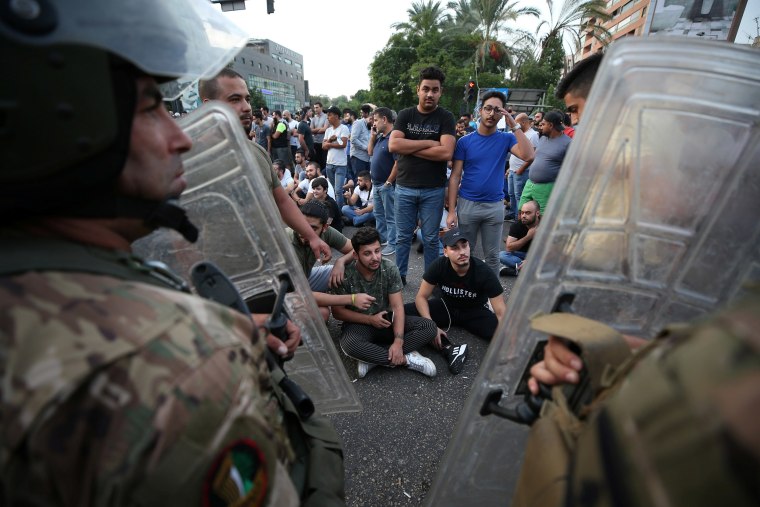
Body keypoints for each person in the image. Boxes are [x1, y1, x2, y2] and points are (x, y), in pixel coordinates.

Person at [0, 1, 344, 504]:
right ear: (68, 131)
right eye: (147, 107)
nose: (180, 136)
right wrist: (200, 350)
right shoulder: (185, 366)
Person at [522, 48, 760, 507]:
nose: (574, 124)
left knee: (588, 400)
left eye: (575, 111)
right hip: (607, 286)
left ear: (610, 96)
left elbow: (666, 201)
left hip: (626, 282)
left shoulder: (639, 134)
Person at [199, 69, 331, 263]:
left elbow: (283, 201)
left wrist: (311, 236)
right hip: (222, 274)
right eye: (235, 99)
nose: (246, 107)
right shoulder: (189, 161)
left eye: (247, 99)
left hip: (269, 264)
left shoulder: (258, 152)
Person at [330, 228, 438, 379]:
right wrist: (369, 320)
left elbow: (397, 307)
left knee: (429, 327)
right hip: (358, 324)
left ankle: (373, 358)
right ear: (355, 255)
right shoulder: (344, 274)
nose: (375, 257)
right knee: (350, 345)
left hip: (386, 320)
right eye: (367, 253)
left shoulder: (389, 268)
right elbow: (337, 312)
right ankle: (407, 359)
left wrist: (399, 342)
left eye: (377, 251)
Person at [446, 91, 534, 274]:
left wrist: (514, 125)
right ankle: (468, 294)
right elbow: (455, 176)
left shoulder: (507, 138)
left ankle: (491, 300)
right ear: (480, 110)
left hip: (494, 206)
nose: (491, 114)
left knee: (493, 257)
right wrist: (452, 211)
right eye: (487, 108)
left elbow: (528, 155)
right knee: (465, 255)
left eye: (497, 110)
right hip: (467, 204)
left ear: (502, 113)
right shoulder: (464, 142)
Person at [389, 66, 457, 285]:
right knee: (402, 237)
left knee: (430, 239)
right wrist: (429, 142)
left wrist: (409, 146)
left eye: (435, 90)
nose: (430, 94)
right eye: (425, 89)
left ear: (440, 92)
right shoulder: (405, 115)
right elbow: (393, 144)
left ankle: (431, 280)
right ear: (418, 89)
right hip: (405, 187)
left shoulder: (446, 117)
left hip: (433, 190)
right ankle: (399, 277)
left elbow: (446, 152)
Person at [405, 228, 506, 374]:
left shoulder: (484, 272)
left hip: (475, 311)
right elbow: (421, 297)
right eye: (455, 248)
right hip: (447, 306)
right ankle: (450, 349)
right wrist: (430, 326)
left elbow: (502, 312)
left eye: (464, 246)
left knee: (505, 335)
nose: (462, 252)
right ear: (445, 252)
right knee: (401, 314)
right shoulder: (439, 265)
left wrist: (508, 346)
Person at [287, 202, 366, 320]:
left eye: (313, 228)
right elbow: (300, 294)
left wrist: (341, 261)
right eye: (302, 224)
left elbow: (358, 249)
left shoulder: (327, 232)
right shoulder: (287, 243)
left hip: (305, 278)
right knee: (322, 313)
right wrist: (352, 299)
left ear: (324, 227)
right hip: (283, 291)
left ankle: (364, 311)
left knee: (354, 266)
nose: (305, 231)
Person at [517, 110, 572, 213]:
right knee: (521, 213)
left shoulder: (568, 143)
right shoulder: (542, 139)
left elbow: (571, 170)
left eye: (543, 124)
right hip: (530, 184)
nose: (540, 127)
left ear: (551, 125)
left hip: (547, 188)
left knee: (541, 218)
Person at [368, 107, 399, 256]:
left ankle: (392, 243)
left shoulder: (394, 137)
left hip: (387, 185)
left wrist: (388, 182)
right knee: (378, 214)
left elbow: (398, 163)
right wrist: (372, 136)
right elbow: (370, 152)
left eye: (375, 120)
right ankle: (383, 239)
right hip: (377, 183)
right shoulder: (381, 137)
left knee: (390, 216)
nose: (374, 124)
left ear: (384, 120)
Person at [507, 113, 539, 219]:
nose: (514, 125)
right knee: (511, 193)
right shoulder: (519, 134)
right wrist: (509, 168)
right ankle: (512, 212)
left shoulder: (533, 135)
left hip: (522, 171)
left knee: (519, 195)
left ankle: (519, 217)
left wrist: (521, 169)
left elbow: (532, 155)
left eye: (517, 122)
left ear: (523, 122)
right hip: (512, 170)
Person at [500, 199, 540, 276]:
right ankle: (528, 268)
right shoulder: (517, 225)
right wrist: (528, 237)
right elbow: (509, 247)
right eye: (522, 213)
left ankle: (517, 269)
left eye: (528, 213)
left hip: (539, 255)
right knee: (501, 255)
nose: (524, 216)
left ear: (537, 213)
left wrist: (530, 260)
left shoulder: (546, 224)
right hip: (520, 255)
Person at [322, 106, 351, 208]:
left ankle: (339, 213)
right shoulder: (328, 130)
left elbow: (343, 144)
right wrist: (330, 141)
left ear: (337, 116)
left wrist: (329, 144)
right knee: (334, 189)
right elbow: (323, 146)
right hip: (329, 163)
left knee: (338, 190)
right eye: (327, 116)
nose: (328, 118)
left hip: (340, 164)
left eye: (329, 115)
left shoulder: (344, 128)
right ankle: (335, 210)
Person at [311, 102, 328, 169]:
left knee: (324, 161)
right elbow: (311, 130)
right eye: (314, 108)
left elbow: (325, 129)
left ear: (321, 107)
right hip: (315, 142)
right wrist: (320, 129)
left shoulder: (326, 117)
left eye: (317, 107)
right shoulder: (313, 118)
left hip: (323, 142)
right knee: (316, 161)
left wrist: (315, 131)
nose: (315, 109)